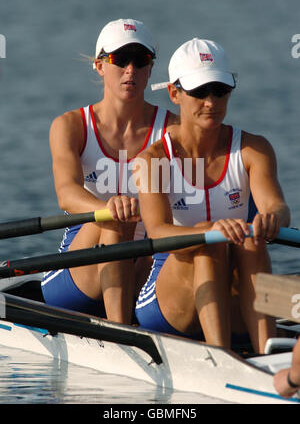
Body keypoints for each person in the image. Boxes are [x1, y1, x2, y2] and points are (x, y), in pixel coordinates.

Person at [134, 38, 290, 353]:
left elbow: (276, 205)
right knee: (209, 242)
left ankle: (266, 356)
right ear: (174, 93)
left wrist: (273, 219)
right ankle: (221, 358)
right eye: (200, 91)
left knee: (251, 239)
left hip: (234, 294)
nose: (211, 102)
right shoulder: (153, 159)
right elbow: (157, 231)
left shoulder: (253, 149)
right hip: (168, 303)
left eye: (220, 91)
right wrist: (206, 231)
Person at [41, 18, 178, 324]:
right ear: (100, 65)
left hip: (144, 263)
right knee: (116, 220)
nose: (131, 70)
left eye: (141, 60)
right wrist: (107, 208)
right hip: (77, 275)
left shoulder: (174, 130)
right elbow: (67, 194)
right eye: (120, 59)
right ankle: (123, 331)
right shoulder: (70, 126)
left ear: (151, 68)